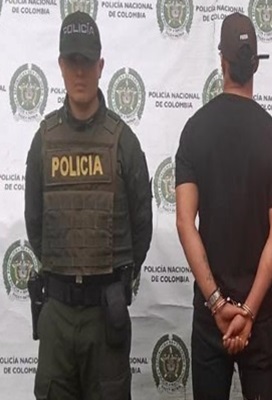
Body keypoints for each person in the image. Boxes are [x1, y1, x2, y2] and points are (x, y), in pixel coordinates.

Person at [24, 11, 153, 399]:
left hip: (105, 312)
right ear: (61, 66)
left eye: (87, 62)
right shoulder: (44, 140)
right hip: (57, 312)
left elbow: (142, 226)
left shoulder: (123, 141)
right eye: (72, 61)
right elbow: (35, 223)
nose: (79, 72)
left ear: (101, 66)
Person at [175, 12, 272, 400]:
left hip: (213, 316)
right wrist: (249, 311)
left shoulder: (195, 130)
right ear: (255, 64)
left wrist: (217, 303)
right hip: (260, 315)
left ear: (221, 61)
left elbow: (185, 223)